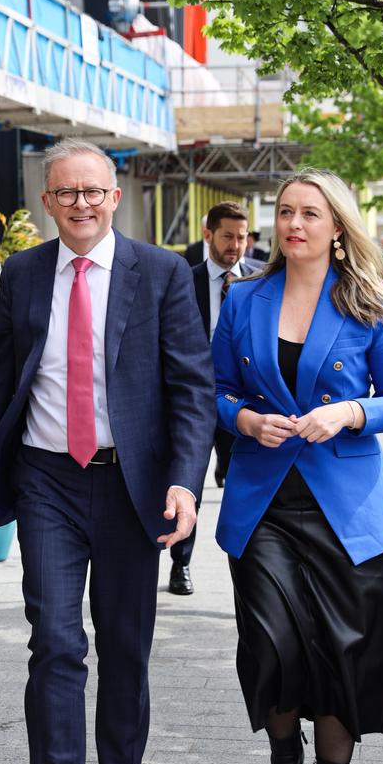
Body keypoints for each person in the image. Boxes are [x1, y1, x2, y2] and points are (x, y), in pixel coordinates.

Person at [0, 138, 216, 764]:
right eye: (67, 194)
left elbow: (192, 391)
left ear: (115, 196)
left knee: (126, 649)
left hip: (132, 486)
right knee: (57, 644)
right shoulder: (24, 274)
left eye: (94, 192)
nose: (82, 205)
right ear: (47, 201)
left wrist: (186, 482)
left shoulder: (160, 274)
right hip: (47, 482)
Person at [212, 167, 383, 764]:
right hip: (263, 504)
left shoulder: (370, 303)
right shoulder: (244, 300)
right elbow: (215, 390)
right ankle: (282, 759)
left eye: (310, 213)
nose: (294, 224)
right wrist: (244, 418)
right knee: (272, 649)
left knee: (341, 662)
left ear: (337, 228)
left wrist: (350, 412)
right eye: (286, 212)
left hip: (347, 512)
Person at [169, 202, 262, 596]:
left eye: (242, 238)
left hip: (240, 403)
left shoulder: (260, 281)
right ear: (208, 235)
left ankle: (254, 566)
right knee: (189, 483)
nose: (236, 246)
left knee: (244, 480)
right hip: (193, 400)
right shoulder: (182, 281)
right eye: (228, 236)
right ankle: (181, 565)